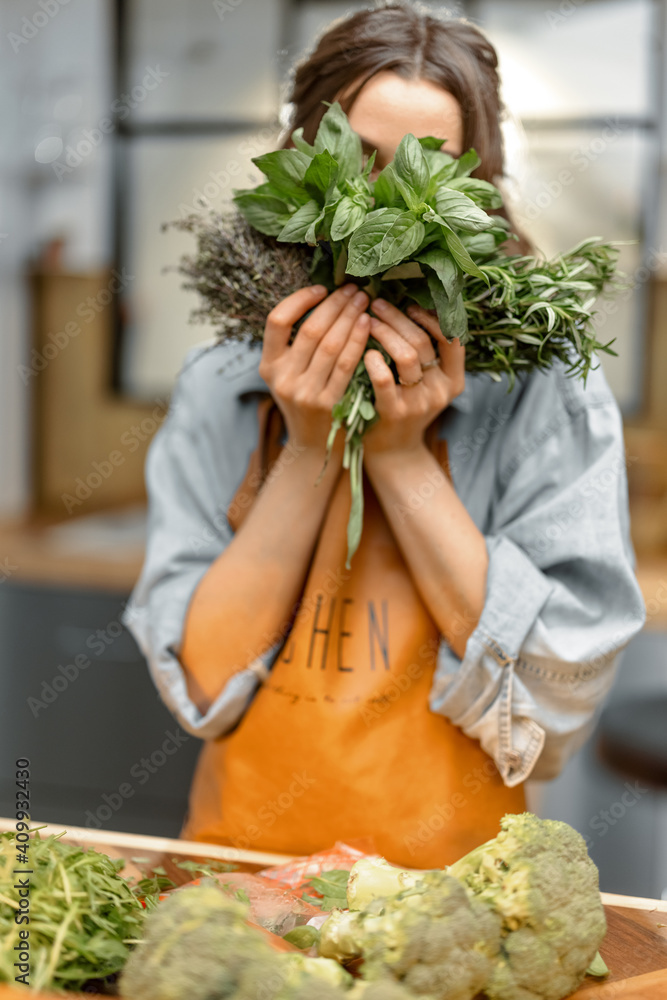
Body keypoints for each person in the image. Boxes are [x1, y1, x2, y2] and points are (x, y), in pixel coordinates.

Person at [121, 1, 646, 868]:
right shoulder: (219, 385)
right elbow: (202, 684)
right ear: (296, 163)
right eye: (354, 161)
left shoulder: (546, 390)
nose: (376, 216)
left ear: (477, 191)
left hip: (453, 894)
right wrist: (310, 445)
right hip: (242, 876)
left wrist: (399, 456)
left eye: (425, 171)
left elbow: (554, 704)